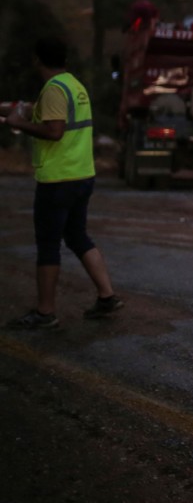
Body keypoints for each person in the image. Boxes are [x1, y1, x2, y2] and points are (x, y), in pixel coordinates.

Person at [3, 37, 124, 330]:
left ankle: (45, 313)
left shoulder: (54, 89)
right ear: (65, 60)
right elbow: (43, 111)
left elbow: (54, 131)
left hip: (59, 179)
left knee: (48, 245)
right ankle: (107, 297)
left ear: (36, 60)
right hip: (82, 175)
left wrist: (16, 124)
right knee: (77, 236)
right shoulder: (74, 86)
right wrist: (15, 110)